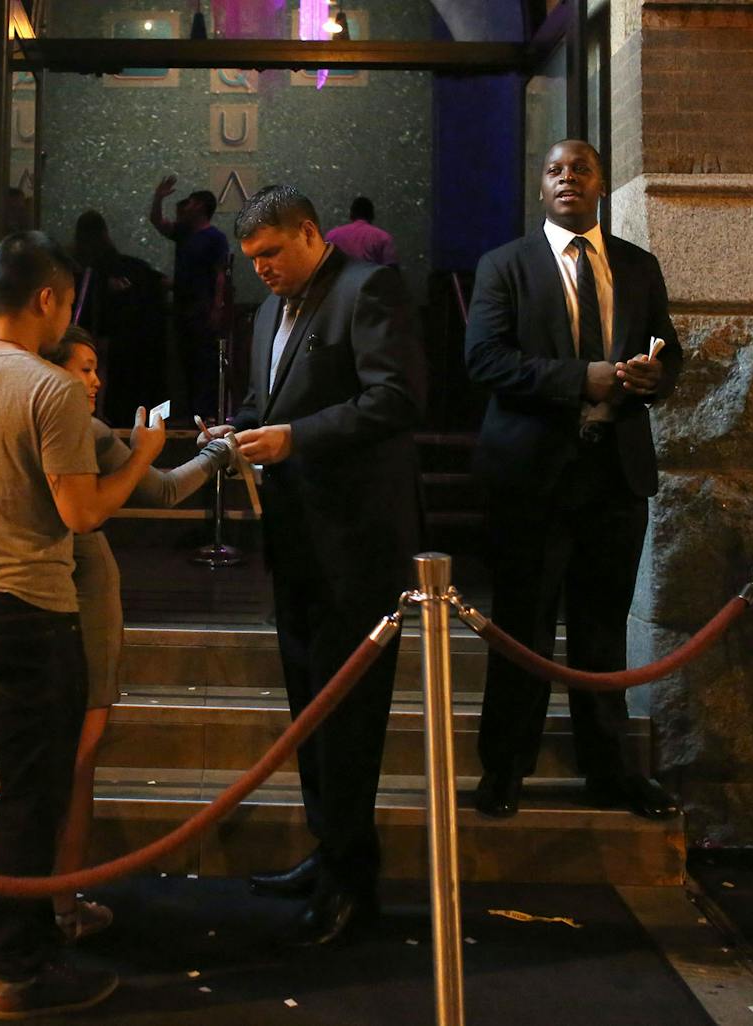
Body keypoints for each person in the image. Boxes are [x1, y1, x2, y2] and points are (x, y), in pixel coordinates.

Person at [0, 231, 167, 1020]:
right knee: (27, 798)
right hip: (30, 616)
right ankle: (17, 973)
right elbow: (81, 513)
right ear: (48, 299)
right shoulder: (49, 390)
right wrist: (143, 452)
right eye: (65, 305)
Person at [202, 184, 425, 946]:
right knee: (308, 711)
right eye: (251, 259)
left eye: (270, 254)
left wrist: (294, 438)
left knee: (349, 719)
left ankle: (354, 884)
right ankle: (327, 853)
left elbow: (396, 398)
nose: (259, 270)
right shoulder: (269, 309)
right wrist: (236, 429)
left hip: (358, 543)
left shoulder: (370, 288)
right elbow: (275, 402)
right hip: (296, 540)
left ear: (308, 232)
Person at [464, 139, 683, 822]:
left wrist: (654, 378)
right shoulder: (506, 266)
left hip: (614, 473)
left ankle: (609, 771)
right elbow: (485, 360)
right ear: (541, 189)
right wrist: (576, 378)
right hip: (532, 475)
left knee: (601, 630)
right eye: (556, 171)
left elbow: (668, 349)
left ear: (600, 185)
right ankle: (504, 768)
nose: (569, 178)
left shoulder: (638, 266)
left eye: (581, 169)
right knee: (522, 626)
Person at [43, 325, 234, 939]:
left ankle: (35, 900)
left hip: (18, 596)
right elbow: (165, 489)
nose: (95, 381)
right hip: (77, 588)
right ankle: (61, 904)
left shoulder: (22, 417)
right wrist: (217, 455)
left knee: (47, 759)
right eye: (84, 368)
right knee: (79, 758)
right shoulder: (83, 430)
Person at [72, 209, 168, 428]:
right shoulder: (121, 265)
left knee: (92, 368)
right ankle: (100, 412)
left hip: (94, 327)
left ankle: (95, 412)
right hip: (117, 331)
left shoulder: (83, 265)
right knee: (101, 368)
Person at [150, 175, 230, 422]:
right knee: (184, 358)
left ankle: (204, 412)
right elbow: (157, 222)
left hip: (202, 305)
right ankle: (188, 411)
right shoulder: (184, 233)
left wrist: (217, 306)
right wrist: (158, 197)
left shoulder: (215, 237)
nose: (187, 205)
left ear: (202, 207)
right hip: (182, 304)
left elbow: (220, 274)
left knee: (202, 359)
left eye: (193, 202)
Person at [323, 196, 398, 267]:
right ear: (372, 215)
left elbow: (324, 265)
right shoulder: (383, 237)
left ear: (351, 214)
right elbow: (391, 269)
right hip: (370, 280)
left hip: (339, 280)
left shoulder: (332, 235)